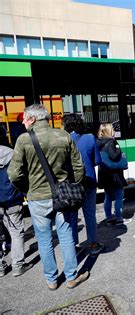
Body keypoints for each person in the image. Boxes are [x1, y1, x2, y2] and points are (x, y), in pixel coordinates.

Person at [8, 104, 89, 290]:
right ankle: (71, 277)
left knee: (44, 239)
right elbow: (79, 168)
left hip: (37, 197)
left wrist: (27, 189)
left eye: (25, 118)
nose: (23, 121)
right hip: (62, 195)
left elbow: (14, 175)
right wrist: (72, 185)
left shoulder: (23, 140)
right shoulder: (63, 136)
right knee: (66, 235)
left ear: (33, 119)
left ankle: (51, 280)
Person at [62, 114, 104, 255]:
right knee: (90, 214)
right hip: (88, 181)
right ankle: (92, 243)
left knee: (72, 215)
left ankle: (73, 246)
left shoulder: (62, 140)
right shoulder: (89, 138)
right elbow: (97, 161)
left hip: (70, 184)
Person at [0, 129, 32, 277]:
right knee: (16, 232)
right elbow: (20, 175)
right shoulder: (12, 153)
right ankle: (18, 265)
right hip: (11, 199)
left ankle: (1, 266)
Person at [97, 123, 129, 226]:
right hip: (114, 175)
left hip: (104, 173)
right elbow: (114, 156)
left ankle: (109, 218)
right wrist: (119, 150)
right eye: (112, 129)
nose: (114, 130)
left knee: (108, 196)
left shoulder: (99, 142)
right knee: (119, 195)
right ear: (109, 131)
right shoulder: (112, 142)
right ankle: (119, 218)